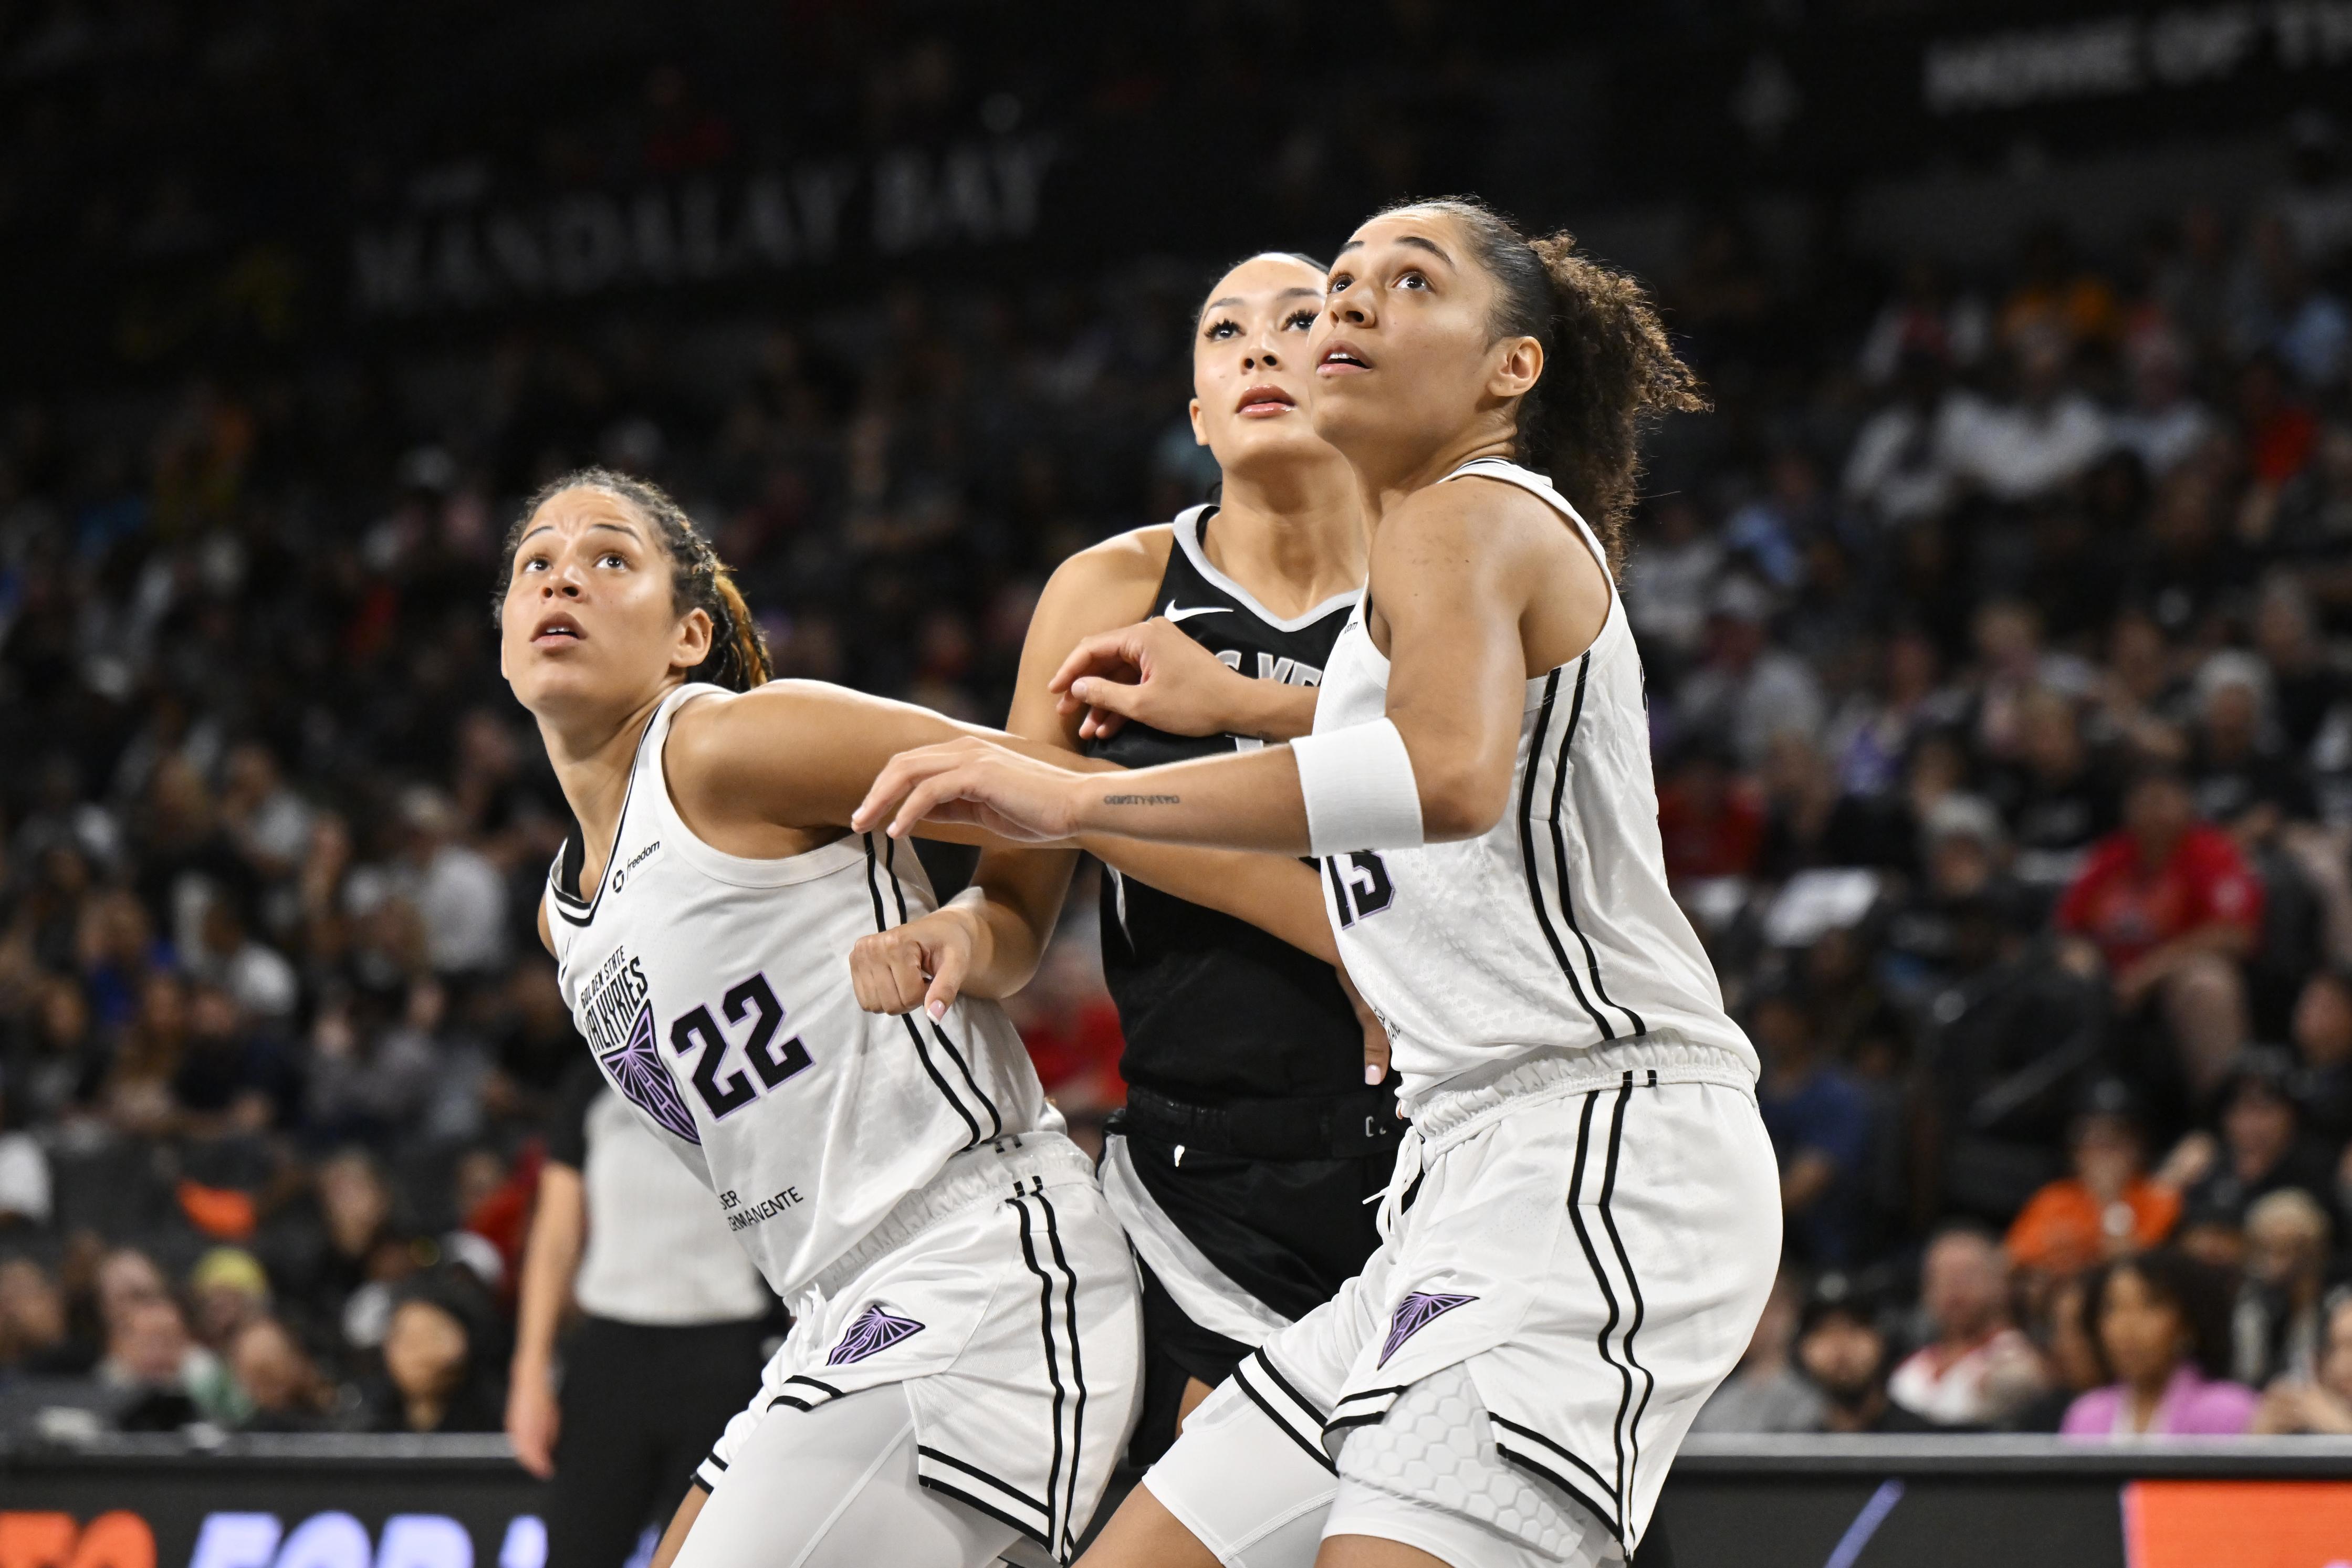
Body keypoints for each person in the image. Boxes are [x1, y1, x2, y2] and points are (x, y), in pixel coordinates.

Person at [855, 197, 1778, 1568]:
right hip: (1447, 1168)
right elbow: (1438, 733)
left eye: (1404, 284)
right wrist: (1236, 695)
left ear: (1505, 368)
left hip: (1592, 1143)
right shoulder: (1436, 542)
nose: (1344, 303)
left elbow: (1446, 773)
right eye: (1338, 279)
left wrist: (1079, 798)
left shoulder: (1460, 511)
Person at [499, 467, 1327, 1567]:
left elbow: (1061, 789)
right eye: (534, 563)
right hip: (833, 1307)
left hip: (979, 1254)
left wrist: (1341, 937)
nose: (565, 575)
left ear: (687, 634)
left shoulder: (726, 746)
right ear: (504, 633)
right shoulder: (564, 919)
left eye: (610, 556)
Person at [848, 252, 1396, 1468]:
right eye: (1223, 332)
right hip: (1202, 1178)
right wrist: (957, 938)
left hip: (1435, 1137)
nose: (1258, 348)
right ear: (1196, 414)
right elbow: (1017, 897)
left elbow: (1493, 803)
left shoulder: (1442, 568)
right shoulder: (1107, 588)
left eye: (1298, 320)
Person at [506, 1059, 775, 1568]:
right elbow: (556, 1236)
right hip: (611, 1360)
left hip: (726, 1360)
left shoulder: (745, 1056)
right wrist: (530, 1370)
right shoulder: (594, 1079)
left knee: (708, 1559)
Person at [2061, 1251, 2256, 1437]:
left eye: (2150, 1305)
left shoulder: (2228, 1410)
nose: (2128, 1327)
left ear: (2186, 1324)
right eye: (2112, 1308)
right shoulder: (2085, 1416)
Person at [1885, 1226, 2045, 1428]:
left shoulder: (2018, 1357)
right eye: (1941, 1277)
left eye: (1967, 1275)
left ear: (1999, 1282)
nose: (1954, 1287)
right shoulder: (1911, 1369)